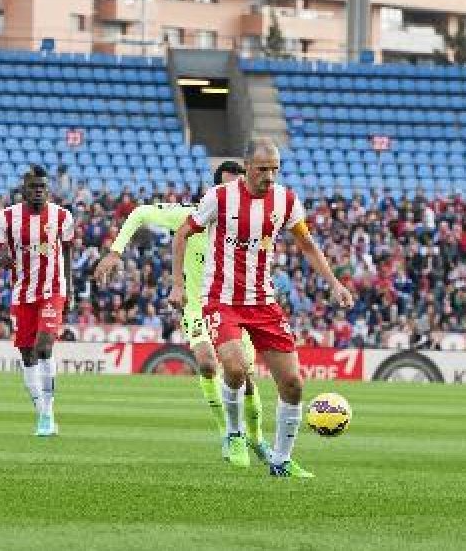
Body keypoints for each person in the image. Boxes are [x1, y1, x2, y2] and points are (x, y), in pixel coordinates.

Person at [168, 138, 353, 478]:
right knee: (236, 368)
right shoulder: (219, 198)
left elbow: (308, 245)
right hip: (221, 300)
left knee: (294, 384)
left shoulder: (285, 201)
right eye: (263, 169)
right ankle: (234, 433)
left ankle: (281, 461)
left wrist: (335, 283)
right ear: (247, 166)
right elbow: (182, 235)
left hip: (263, 303)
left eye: (275, 170)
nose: (270, 176)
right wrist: (178, 285)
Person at [94, 161, 280, 465]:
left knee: (244, 377)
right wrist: (116, 251)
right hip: (199, 307)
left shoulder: (251, 223)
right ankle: (229, 434)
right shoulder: (190, 217)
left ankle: (257, 439)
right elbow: (141, 213)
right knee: (207, 363)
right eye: (225, 187)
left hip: (239, 308)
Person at [0, 165, 74, 437]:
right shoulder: (7, 218)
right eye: (33, 187)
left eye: (42, 188)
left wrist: (68, 290)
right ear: (24, 190)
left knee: (44, 346)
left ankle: (48, 413)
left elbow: (67, 254)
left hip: (53, 290)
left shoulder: (62, 216)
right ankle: (41, 413)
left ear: (48, 190)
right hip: (23, 294)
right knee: (27, 354)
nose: (38, 192)